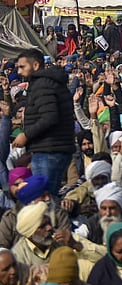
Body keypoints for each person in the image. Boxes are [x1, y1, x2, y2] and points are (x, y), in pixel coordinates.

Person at [14, 49, 75, 195]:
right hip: (52, 148)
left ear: (35, 65)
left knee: (43, 198)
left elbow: (49, 117)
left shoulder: (43, 84)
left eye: (23, 67)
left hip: (49, 150)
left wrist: (26, 135)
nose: (19, 72)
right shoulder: (46, 82)